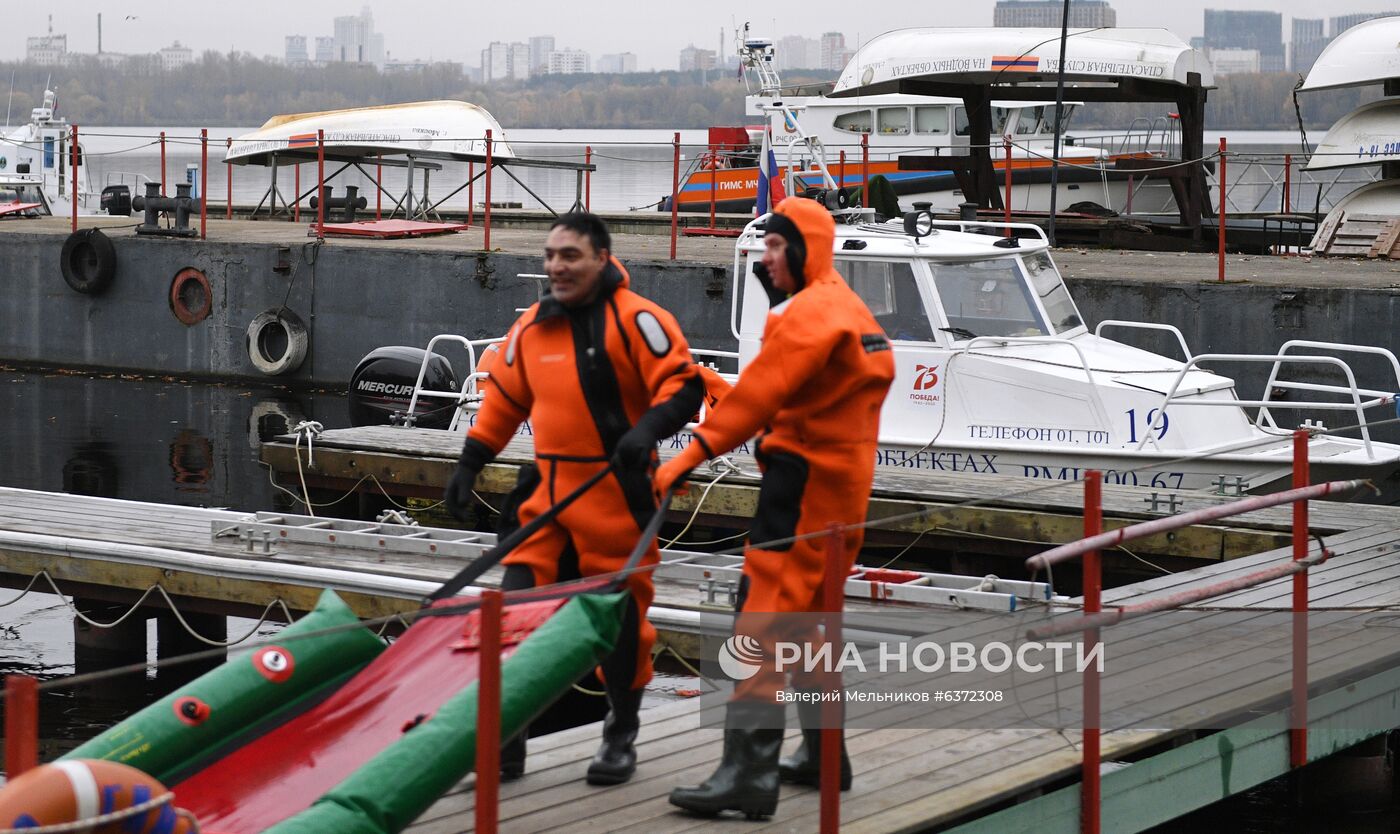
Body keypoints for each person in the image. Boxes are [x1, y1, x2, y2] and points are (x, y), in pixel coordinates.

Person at [443, 212, 703, 785]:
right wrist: (471, 462)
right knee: (511, 619)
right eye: (551, 255)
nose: (557, 266)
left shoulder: (640, 321)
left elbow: (685, 387)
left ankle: (620, 734)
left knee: (620, 622)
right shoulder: (533, 327)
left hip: (615, 492)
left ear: (602, 259)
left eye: (570, 256)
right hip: (546, 496)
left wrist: (648, 430)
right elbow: (506, 400)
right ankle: (505, 745)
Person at [656, 196, 895, 819]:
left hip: (800, 493)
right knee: (809, 627)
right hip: (844, 498)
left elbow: (756, 399)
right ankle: (824, 756)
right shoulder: (850, 309)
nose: (764, 259)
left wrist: (684, 458)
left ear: (802, 248)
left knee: (758, 624)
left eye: (773, 246)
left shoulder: (806, 316)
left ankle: (748, 774)